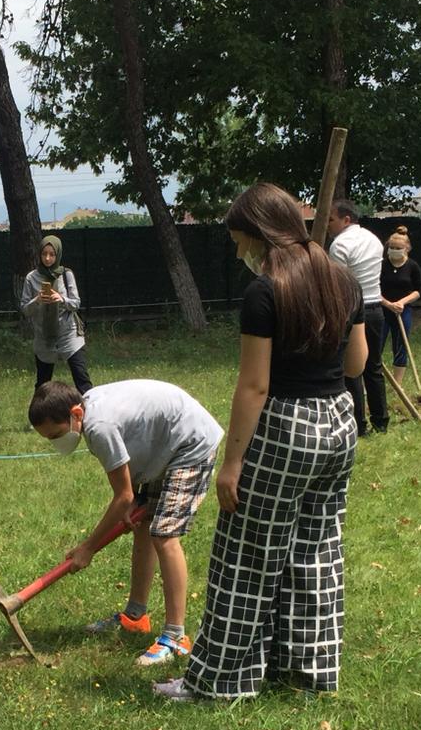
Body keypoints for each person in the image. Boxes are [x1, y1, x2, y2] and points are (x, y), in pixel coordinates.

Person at [154, 182, 367, 703]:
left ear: (262, 234)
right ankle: (307, 671)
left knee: (246, 557)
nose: (238, 252)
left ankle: (221, 683)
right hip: (340, 423)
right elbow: (358, 364)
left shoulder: (265, 291)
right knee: (316, 552)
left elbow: (255, 385)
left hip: (285, 428)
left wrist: (232, 464)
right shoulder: (343, 280)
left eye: (240, 241)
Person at [28, 379, 223, 666]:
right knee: (144, 525)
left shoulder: (99, 427)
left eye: (56, 434)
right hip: (164, 445)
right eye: (49, 439)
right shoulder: (89, 410)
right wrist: (128, 505)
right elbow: (128, 492)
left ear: (76, 414)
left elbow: (123, 496)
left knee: (165, 535)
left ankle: (176, 637)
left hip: (190, 444)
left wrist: (88, 547)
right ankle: (135, 616)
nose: (56, 442)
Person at [327, 200, 388, 434]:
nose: (329, 225)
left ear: (346, 220)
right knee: (374, 366)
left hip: (351, 310)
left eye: (331, 220)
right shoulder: (373, 239)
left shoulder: (339, 245)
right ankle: (381, 421)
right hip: (376, 308)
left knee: (352, 368)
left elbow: (337, 286)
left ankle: (358, 423)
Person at [21, 235, 92, 392]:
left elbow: (76, 303)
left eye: (52, 254)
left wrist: (61, 299)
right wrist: (37, 300)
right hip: (44, 337)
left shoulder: (66, 275)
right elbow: (25, 309)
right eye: (44, 254)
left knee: (82, 378)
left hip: (68, 334)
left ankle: (91, 413)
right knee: (42, 384)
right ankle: (39, 416)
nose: (47, 258)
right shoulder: (31, 277)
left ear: (58, 254)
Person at [378, 225, 421, 368]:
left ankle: (398, 384)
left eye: (398, 248)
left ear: (407, 248)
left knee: (401, 347)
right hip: (382, 310)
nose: (395, 251)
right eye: (392, 247)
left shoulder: (412, 266)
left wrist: (401, 303)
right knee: (375, 346)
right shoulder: (381, 265)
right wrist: (388, 304)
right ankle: (368, 383)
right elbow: (373, 288)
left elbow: (418, 291)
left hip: (403, 311)